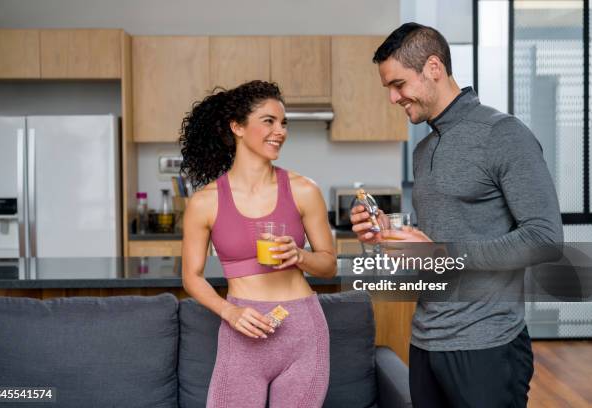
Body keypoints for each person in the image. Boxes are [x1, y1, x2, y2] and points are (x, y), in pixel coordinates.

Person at [351, 23, 563, 407]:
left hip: (487, 344)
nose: (393, 98)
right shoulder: (424, 148)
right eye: (388, 88)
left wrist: (445, 252)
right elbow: (437, 246)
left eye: (398, 84)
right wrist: (386, 236)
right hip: (425, 341)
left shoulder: (504, 135)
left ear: (433, 67)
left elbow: (545, 238)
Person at [179, 80, 336, 408]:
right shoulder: (205, 202)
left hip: (303, 332)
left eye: (283, 123)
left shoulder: (304, 190)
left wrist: (300, 256)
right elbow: (191, 277)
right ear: (237, 127)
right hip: (242, 330)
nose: (280, 131)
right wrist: (229, 312)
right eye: (269, 121)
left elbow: (328, 264)